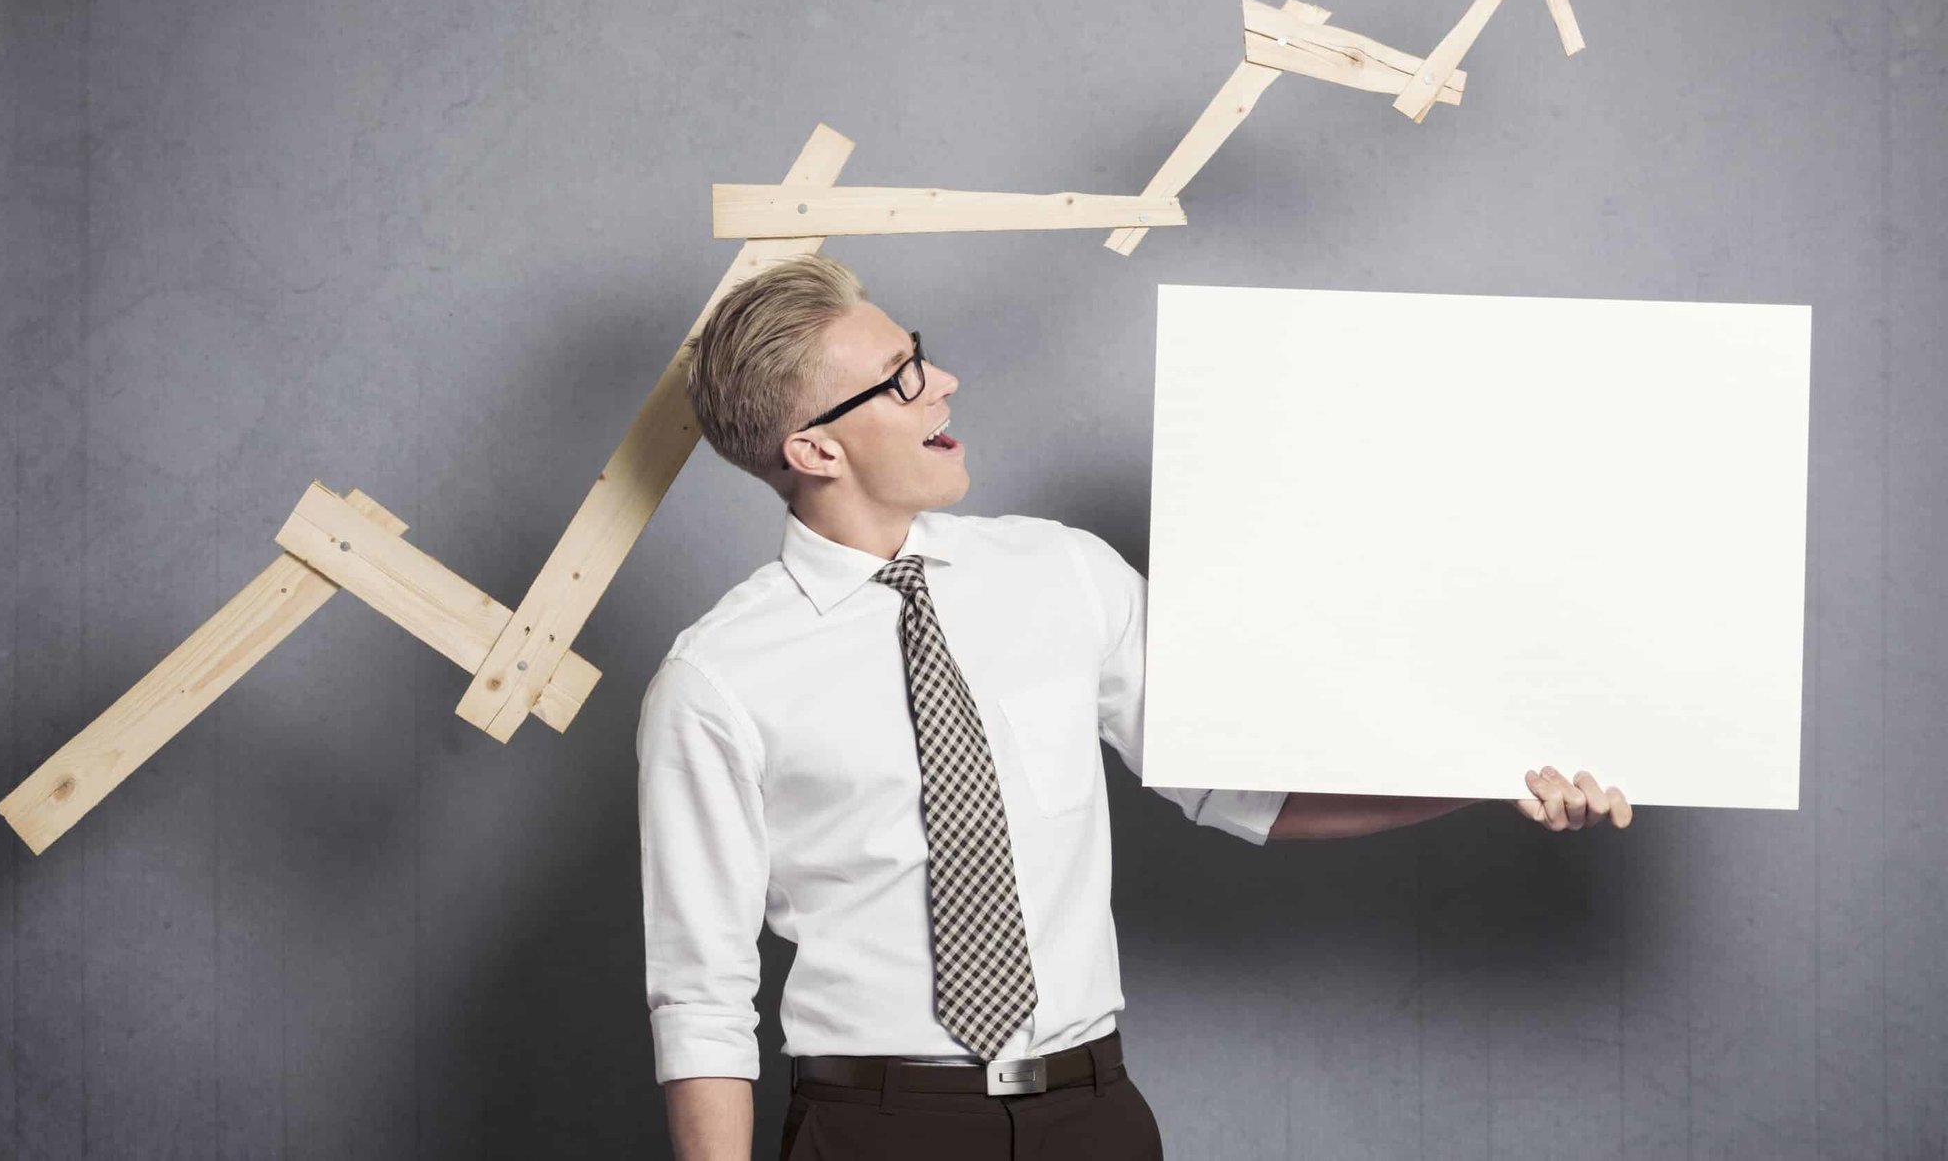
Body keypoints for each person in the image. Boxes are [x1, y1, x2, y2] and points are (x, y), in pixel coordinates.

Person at [636, 254, 1632, 1161]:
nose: (941, 383)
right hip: (876, 1131)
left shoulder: (1063, 572)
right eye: (900, 376)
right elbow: (702, 995)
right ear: (813, 451)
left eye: (922, 356)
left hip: (1092, 1118)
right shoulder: (717, 679)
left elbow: (1245, 788)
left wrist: (1497, 776)